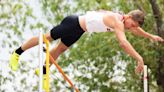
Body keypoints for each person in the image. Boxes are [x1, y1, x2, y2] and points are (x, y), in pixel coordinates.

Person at [10, 9, 163, 76]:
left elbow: (137, 30)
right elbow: (123, 43)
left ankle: (42, 72)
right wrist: (139, 58)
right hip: (73, 23)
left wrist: (151, 37)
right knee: (46, 38)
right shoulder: (118, 21)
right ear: (129, 18)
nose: (132, 28)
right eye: (133, 25)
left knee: (60, 50)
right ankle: (17, 53)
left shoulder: (123, 20)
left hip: (80, 30)